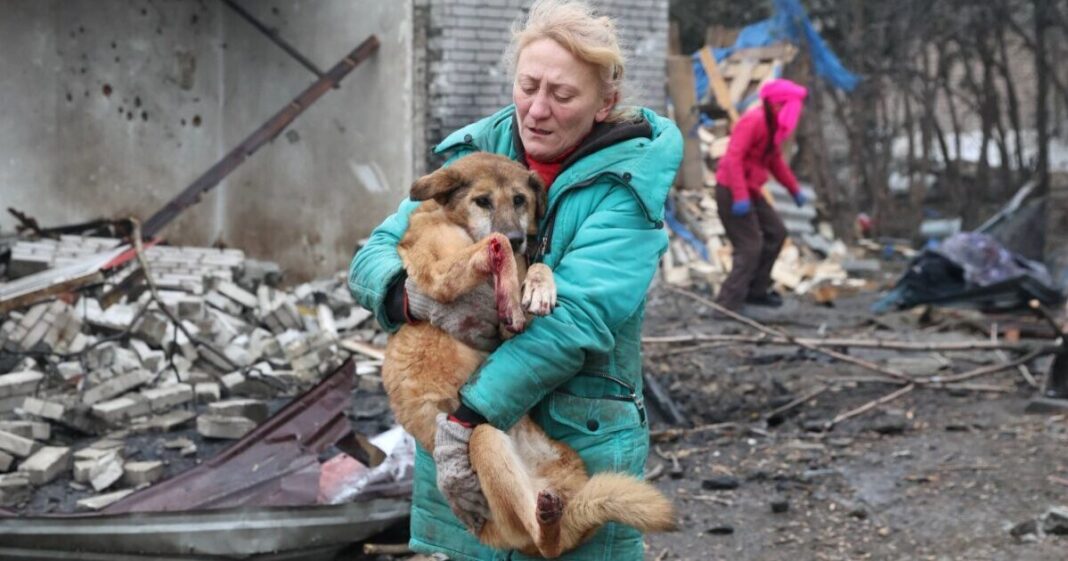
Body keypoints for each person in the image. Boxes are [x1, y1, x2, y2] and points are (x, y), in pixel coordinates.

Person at [348, 1, 682, 559]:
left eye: (563, 95)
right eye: (528, 86)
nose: (537, 110)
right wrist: (409, 298)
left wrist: (468, 419)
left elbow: (575, 323)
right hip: (460, 456)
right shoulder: (471, 156)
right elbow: (375, 252)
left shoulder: (626, 190)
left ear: (606, 103)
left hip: (570, 439)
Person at [713, 78, 808, 312]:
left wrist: (794, 189)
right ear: (777, 105)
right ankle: (728, 302)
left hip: (751, 190)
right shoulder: (753, 121)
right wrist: (740, 196)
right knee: (749, 246)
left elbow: (774, 161)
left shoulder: (771, 125)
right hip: (732, 190)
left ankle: (756, 291)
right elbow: (733, 158)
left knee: (777, 233)